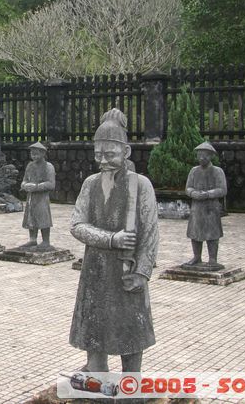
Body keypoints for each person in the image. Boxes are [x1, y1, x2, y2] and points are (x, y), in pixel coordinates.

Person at [70, 109, 159, 374]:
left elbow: (151, 234)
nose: (103, 161)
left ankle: (132, 382)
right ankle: (96, 373)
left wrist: (142, 272)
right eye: (99, 155)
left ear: (126, 152)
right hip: (95, 268)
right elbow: (76, 225)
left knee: (131, 329)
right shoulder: (90, 184)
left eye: (110, 154)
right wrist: (111, 239)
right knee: (94, 329)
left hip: (127, 272)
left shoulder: (141, 185)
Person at [184, 142, 227, 268]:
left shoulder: (217, 171)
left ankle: (213, 259)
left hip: (211, 207)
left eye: (205, 155)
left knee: (212, 233)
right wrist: (194, 193)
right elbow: (188, 188)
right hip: (196, 207)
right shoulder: (194, 171)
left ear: (210, 156)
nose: (202, 158)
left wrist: (208, 194)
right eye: (199, 155)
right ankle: (197, 257)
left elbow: (222, 189)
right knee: (195, 232)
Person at [19, 142, 56, 251]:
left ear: (43, 154)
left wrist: (36, 186)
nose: (34, 156)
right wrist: (25, 185)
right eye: (32, 153)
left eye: (36, 154)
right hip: (31, 197)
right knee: (31, 217)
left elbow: (51, 184)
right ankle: (32, 239)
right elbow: (24, 180)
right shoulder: (30, 166)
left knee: (43, 217)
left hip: (42, 198)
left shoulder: (48, 167)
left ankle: (46, 241)